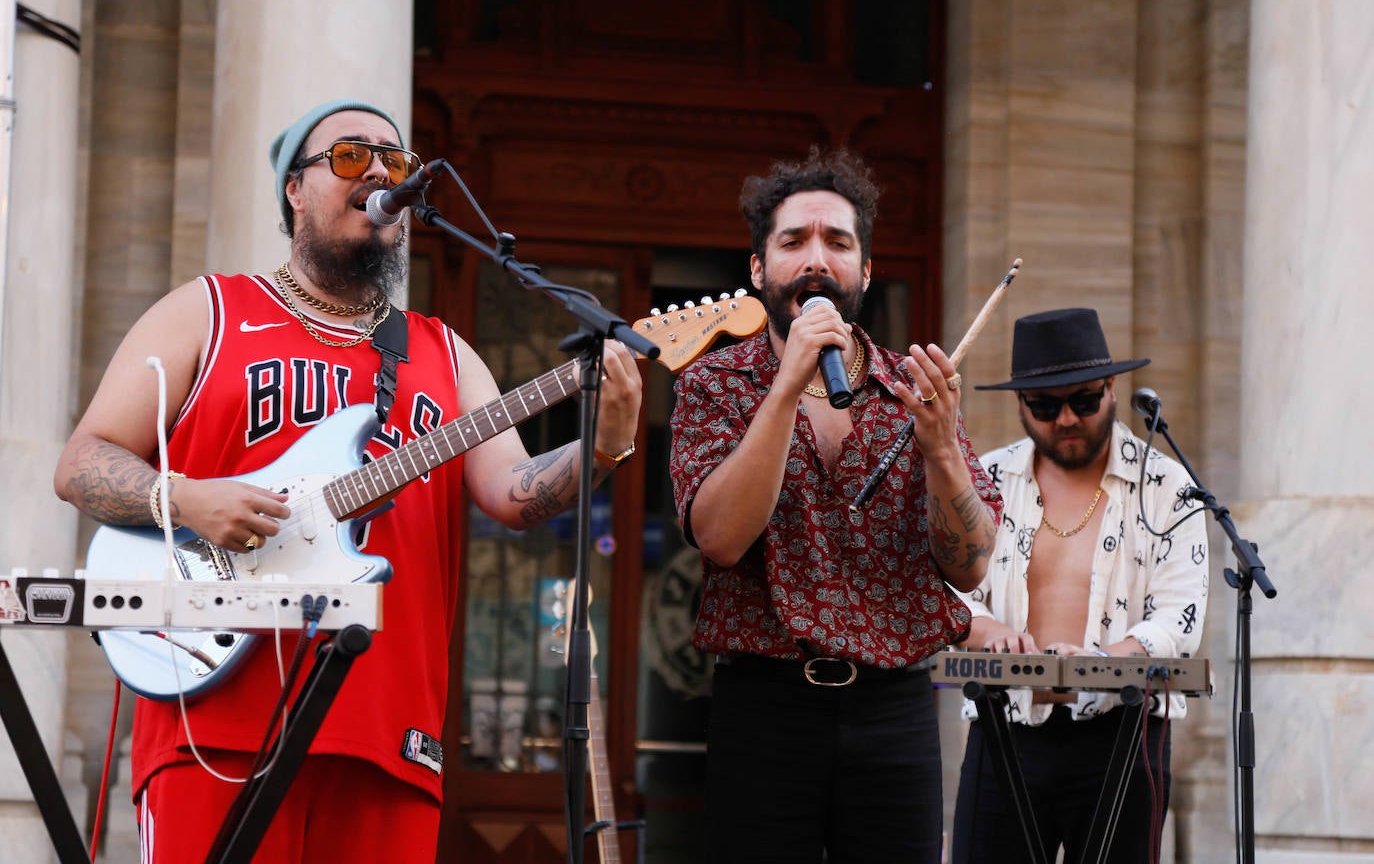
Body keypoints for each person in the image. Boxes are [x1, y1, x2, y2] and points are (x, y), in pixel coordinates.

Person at [52, 98, 643, 863]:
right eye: (349, 158)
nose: (377, 176)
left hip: (387, 730)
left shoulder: (446, 353)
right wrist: (187, 499)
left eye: (393, 164)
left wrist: (606, 449)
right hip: (216, 713)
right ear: (294, 190)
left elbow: (515, 495)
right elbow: (81, 462)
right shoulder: (208, 312)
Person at [667, 147, 1003, 863]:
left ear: (866, 271)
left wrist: (942, 449)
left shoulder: (912, 389)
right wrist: (784, 389)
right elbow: (721, 539)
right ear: (758, 269)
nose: (815, 259)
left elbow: (970, 566)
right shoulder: (714, 385)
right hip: (765, 708)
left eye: (837, 243)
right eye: (793, 242)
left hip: (895, 709)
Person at [950, 307, 1209, 864]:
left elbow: (1179, 617)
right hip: (1005, 725)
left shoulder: (1167, 486)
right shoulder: (985, 480)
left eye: (1083, 401)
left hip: (1124, 731)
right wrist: (987, 627)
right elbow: (946, 590)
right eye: (1045, 406)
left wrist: (1101, 658)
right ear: (1019, 404)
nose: (1066, 418)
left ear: (1111, 390)